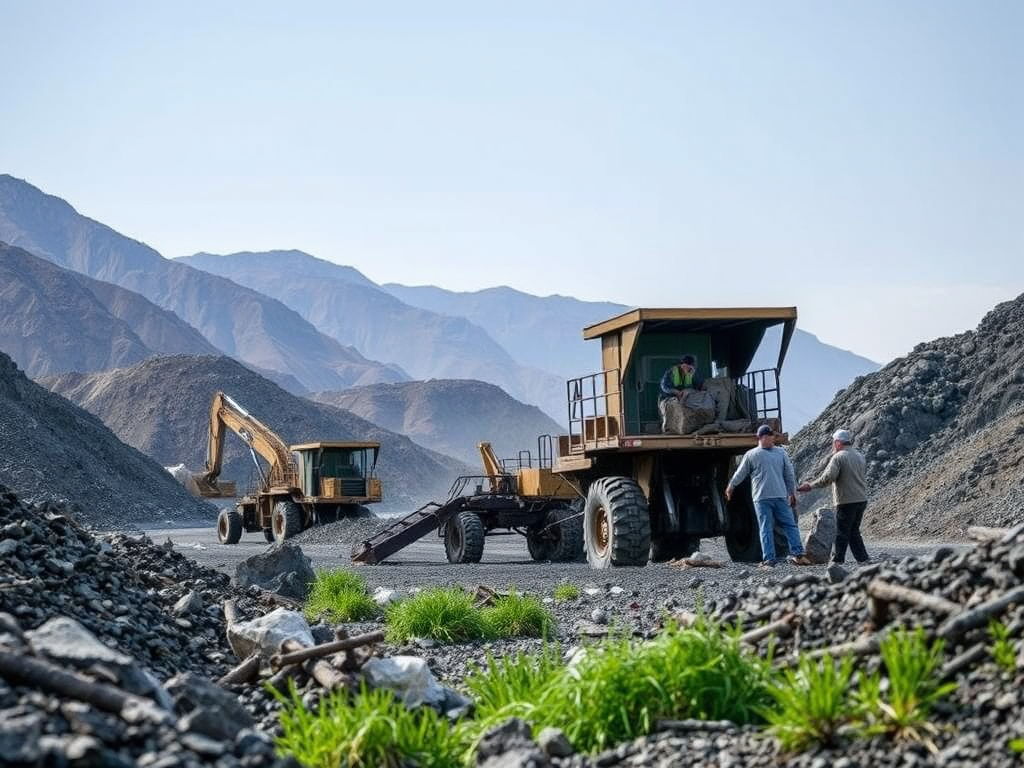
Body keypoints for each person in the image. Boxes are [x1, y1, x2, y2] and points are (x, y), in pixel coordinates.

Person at [726, 425, 812, 567]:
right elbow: (740, 473)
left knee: (778, 526)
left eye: (773, 436)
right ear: (762, 437)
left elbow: (789, 474)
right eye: (770, 436)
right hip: (767, 497)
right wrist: (731, 486)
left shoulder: (757, 454)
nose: (772, 438)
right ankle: (773, 558)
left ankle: (794, 555)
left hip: (768, 497)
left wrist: (792, 492)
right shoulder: (772, 453)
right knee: (777, 526)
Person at [798, 429, 869, 564]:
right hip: (861, 499)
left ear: (837, 442)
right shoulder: (859, 456)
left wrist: (810, 486)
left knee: (841, 531)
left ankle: (837, 560)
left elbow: (828, 478)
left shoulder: (838, 457)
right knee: (853, 531)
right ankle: (863, 558)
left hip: (846, 500)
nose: (832, 445)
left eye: (833, 442)